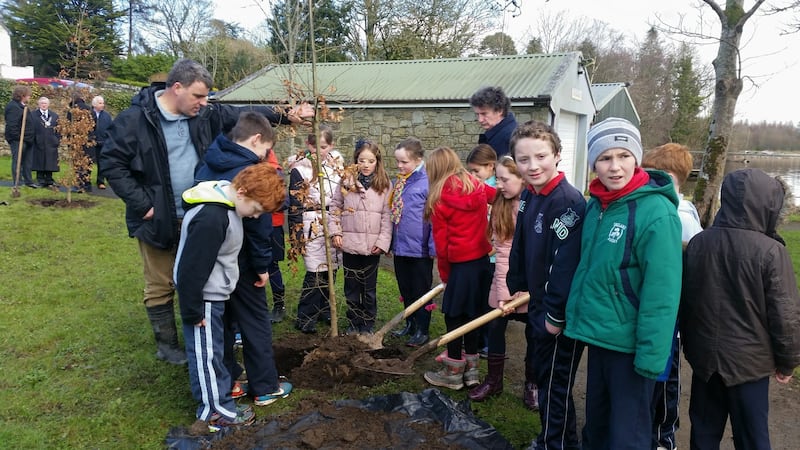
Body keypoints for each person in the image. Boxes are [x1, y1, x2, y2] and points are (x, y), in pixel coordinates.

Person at [101, 58, 312, 365]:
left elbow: (242, 114)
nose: (204, 102)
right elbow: (111, 163)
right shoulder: (135, 120)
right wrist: (142, 205)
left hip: (201, 214)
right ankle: (169, 345)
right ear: (177, 88)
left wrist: (285, 115)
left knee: (203, 277)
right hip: (158, 218)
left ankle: (205, 336)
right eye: (198, 96)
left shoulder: (204, 115)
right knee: (161, 282)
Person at [565, 117, 683, 449]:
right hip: (599, 335)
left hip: (632, 348)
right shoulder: (597, 205)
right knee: (598, 425)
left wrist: (651, 357)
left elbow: (663, 294)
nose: (615, 167)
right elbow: (587, 268)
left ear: (637, 158)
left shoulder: (657, 213)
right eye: (604, 158)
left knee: (627, 435)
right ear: (593, 164)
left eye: (624, 156)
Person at [681, 168, 800, 450]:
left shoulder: (700, 242)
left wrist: (691, 346)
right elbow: (785, 315)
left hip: (705, 361)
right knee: (752, 438)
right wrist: (787, 362)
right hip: (749, 366)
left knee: (704, 434)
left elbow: (687, 302)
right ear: (768, 205)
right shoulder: (771, 251)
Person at [174, 162, 285, 430]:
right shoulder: (213, 217)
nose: (256, 216)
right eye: (257, 210)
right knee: (207, 356)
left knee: (215, 352)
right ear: (243, 191)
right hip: (203, 300)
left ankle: (221, 403)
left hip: (214, 295)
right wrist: (192, 309)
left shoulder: (229, 204)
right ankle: (214, 413)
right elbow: (191, 267)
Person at [194, 111, 293, 407]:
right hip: (244, 259)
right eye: (266, 151)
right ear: (256, 139)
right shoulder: (250, 171)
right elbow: (259, 224)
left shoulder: (210, 158)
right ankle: (264, 386)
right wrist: (262, 265)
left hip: (212, 260)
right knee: (255, 320)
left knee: (221, 322)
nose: (265, 156)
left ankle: (230, 382)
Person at [504, 121, 586, 448]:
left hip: (558, 316)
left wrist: (554, 316)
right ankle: (558, 440)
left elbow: (566, 265)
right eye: (523, 160)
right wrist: (518, 285)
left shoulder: (568, 202)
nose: (532, 165)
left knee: (554, 384)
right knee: (544, 378)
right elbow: (521, 243)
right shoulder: (530, 194)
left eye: (541, 156)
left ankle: (554, 444)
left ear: (557, 155)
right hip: (537, 304)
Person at [641, 142, 703, 450]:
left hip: (672, 312)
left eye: (653, 174)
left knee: (667, 378)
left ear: (671, 176)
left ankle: (664, 436)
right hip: (656, 307)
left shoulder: (682, 216)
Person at [423, 146, 495, 390]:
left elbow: (441, 245)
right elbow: (499, 195)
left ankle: (453, 371)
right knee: (473, 315)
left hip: (460, 266)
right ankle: (472, 371)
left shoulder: (438, 198)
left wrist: (445, 276)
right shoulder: (475, 185)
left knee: (454, 315)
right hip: (482, 263)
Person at [467, 155, 528, 400]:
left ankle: (532, 385)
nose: (498, 185)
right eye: (498, 178)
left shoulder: (533, 204)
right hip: (505, 275)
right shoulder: (501, 204)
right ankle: (493, 381)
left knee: (534, 332)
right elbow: (503, 251)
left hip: (532, 280)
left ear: (522, 178)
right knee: (495, 326)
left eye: (504, 179)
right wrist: (504, 292)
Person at [330, 139, 392, 334]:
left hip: (372, 246)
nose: (366, 165)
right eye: (362, 160)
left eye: (370, 161)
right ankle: (353, 321)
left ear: (377, 162)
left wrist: (383, 242)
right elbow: (335, 207)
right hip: (349, 243)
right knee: (351, 286)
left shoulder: (384, 184)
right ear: (356, 160)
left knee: (369, 288)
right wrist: (336, 232)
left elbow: (387, 215)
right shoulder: (346, 181)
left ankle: (367, 323)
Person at [288, 126, 343, 334]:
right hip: (310, 219)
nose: (319, 151)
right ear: (307, 145)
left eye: (324, 146)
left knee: (332, 267)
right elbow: (294, 203)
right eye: (314, 146)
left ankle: (325, 308)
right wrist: (297, 233)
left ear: (331, 145)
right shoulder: (299, 168)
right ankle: (306, 315)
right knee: (315, 270)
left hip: (333, 218)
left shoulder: (336, 165)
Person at [389, 137, 436, 347]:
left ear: (418, 159)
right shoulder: (400, 181)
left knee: (421, 290)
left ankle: (422, 329)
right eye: (397, 161)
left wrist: (433, 246)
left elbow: (435, 216)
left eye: (404, 162)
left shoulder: (427, 182)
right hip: (401, 246)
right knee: (405, 288)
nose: (399, 166)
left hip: (420, 249)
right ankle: (410, 323)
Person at [466, 143, 497, 358]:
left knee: (489, 302)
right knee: (476, 301)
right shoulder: (474, 188)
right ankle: (475, 341)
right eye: (470, 171)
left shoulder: (499, 189)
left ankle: (487, 342)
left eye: (476, 171)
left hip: (494, 257)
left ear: (491, 167)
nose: (473, 175)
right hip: (477, 253)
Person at [469, 86, 517, 157]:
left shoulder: (511, 138)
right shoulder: (495, 135)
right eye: (477, 114)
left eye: (484, 114)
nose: (480, 119)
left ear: (499, 110)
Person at [4, 85, 37, 188]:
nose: (29, 97)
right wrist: (18, 138)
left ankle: (28, 181)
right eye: (28, 95)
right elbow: (12, 125)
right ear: (22, 95)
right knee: (18, 160)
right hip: (19, 140)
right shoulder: (13, 106)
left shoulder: (22, 106)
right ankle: (17, 182)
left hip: (27, 139)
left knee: (27, 161)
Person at [31, 97, 60, 188]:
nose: (44, 105)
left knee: (50, 161)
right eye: (42, 103)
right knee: (39, 160)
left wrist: (56, 139)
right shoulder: (33, 115)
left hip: (51, 142)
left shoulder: (54, 116)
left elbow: (59, 129)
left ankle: (49, 180)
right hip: (38, 142)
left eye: (45, 103)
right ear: (39, 104)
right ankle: (40, 180)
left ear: (48, 104)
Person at [90, 95, 113, 189]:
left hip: (102, 143)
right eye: (100, 103)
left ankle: (100, 181)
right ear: (94, 104)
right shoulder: (88, 114)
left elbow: (111, 129)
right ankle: (85, 181)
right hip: (90, 142)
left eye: (103, 103)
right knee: (88, 162)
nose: (102, 105)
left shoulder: (107, 116)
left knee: (102, 163)